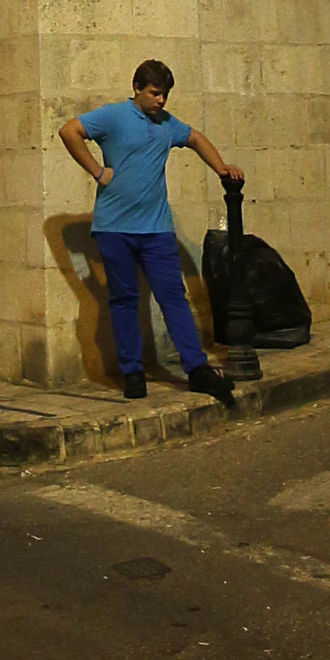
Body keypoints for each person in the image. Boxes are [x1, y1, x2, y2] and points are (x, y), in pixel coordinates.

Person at [58, 59, 242, 403]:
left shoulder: (167, 125)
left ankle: (197, 369)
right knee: (124, 299)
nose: (161, 101)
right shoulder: (114, 116)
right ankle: (132, 373)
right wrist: (98, 172)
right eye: (155, 93)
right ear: (137, 89)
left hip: (156, 230)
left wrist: (222, 169)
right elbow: (70, 131)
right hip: (114, 228)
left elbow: (196, 138)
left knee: (173, 296)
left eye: (165, 94)